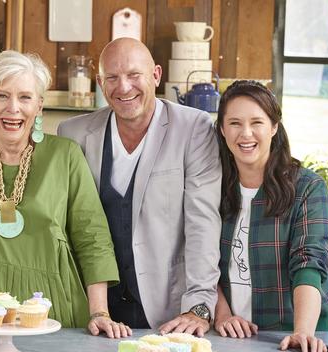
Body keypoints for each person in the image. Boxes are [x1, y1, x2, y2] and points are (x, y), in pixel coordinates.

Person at [0, 50, 131, 339]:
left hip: (55, 307)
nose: (13, 108)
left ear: (39, 106)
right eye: (1, 96)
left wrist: (99, 312)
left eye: (25, 97)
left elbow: (93, 238)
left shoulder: (65, 156)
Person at [58, 38, 221, 336]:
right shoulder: (73, 133)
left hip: (168, 312)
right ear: (99, 82)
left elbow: (203, 223)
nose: (123, 87)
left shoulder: (193, 128)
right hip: (92, 311)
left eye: (134, 75)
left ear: (156, 75)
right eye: (112, 77)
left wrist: (198, 306)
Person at [212, 80, 328, 352]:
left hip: (292, 340)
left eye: (257, 122)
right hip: (229, 339)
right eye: (234, 123)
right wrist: (222, 315)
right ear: (222, 129)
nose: (246, 133)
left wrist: (302, 331)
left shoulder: (308, 188)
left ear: (274, 127)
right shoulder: (211, 188)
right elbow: (201, 259)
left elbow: (309, 263)